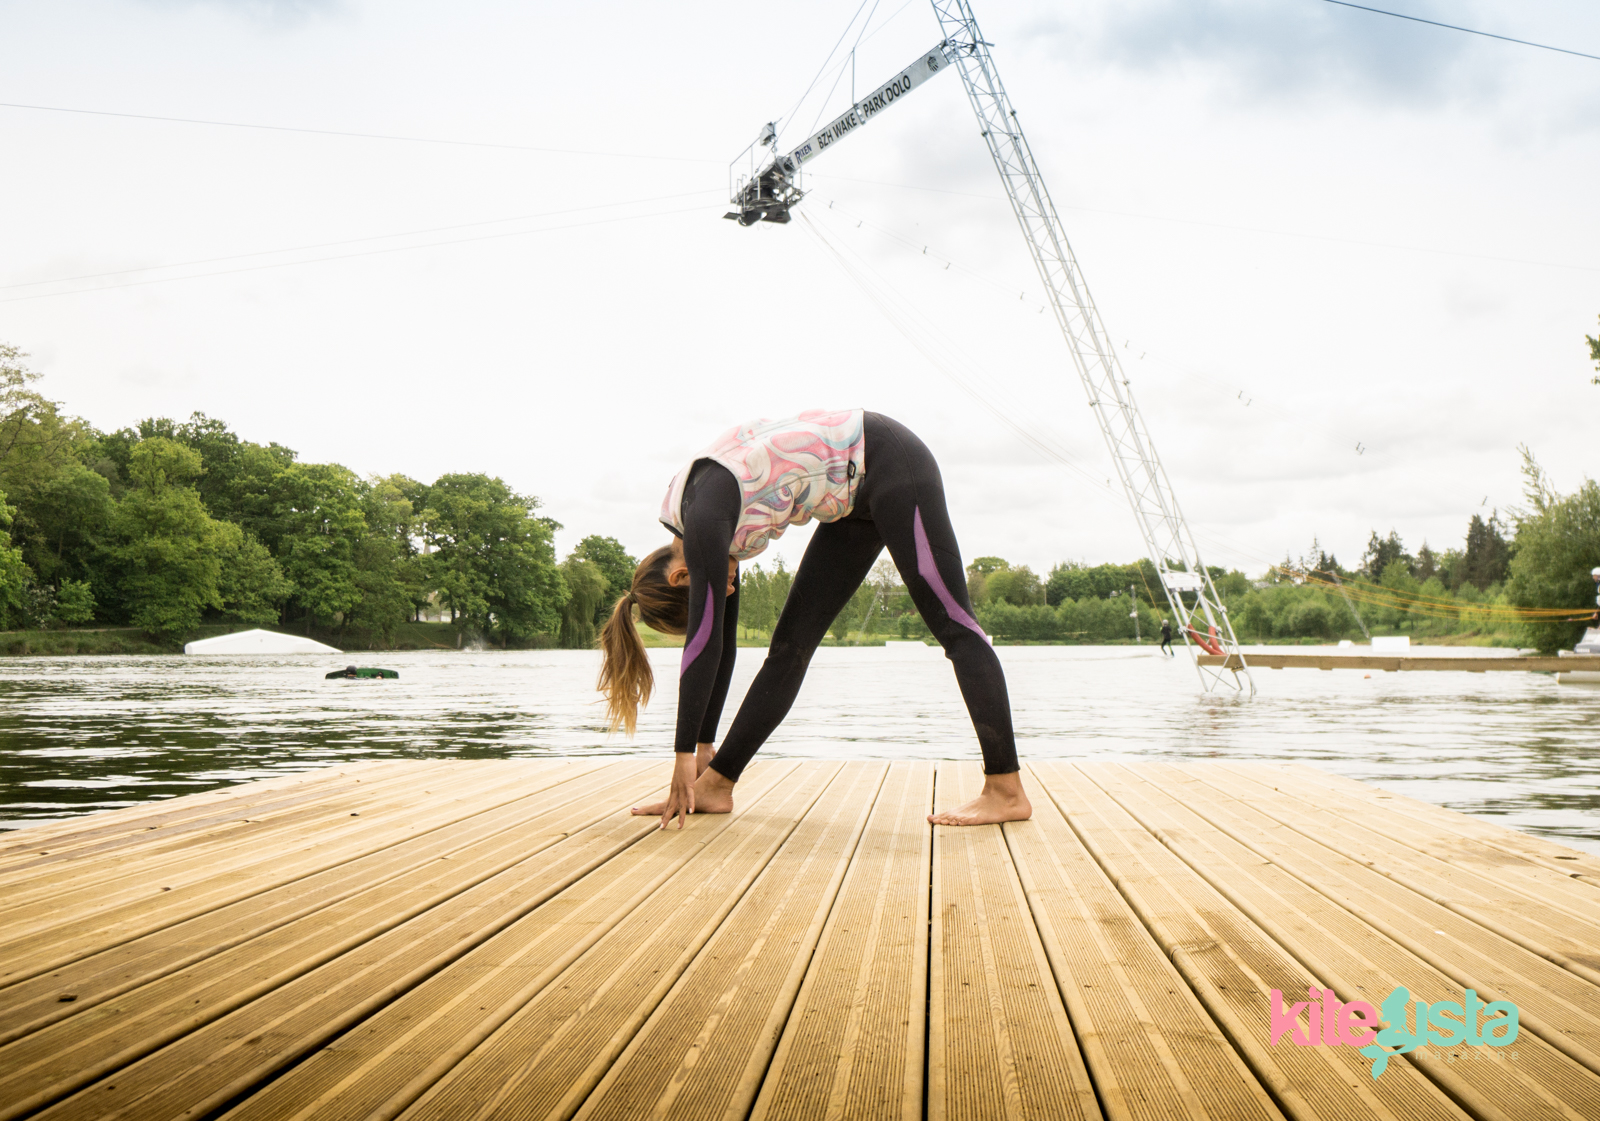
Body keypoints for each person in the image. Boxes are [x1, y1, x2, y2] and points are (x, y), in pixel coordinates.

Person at [597, 409, 1031, 830]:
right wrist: (704, 750)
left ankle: (1006, 790)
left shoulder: (706, 520)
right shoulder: (704, 526)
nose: (727, 591)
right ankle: (717, 784)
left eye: (719, 590)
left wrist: (680, 758)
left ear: (681, 576)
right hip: (849, 500)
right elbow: (723, 645)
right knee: (788, 650)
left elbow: (704, 639)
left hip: (889, 461)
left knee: (956, 628)